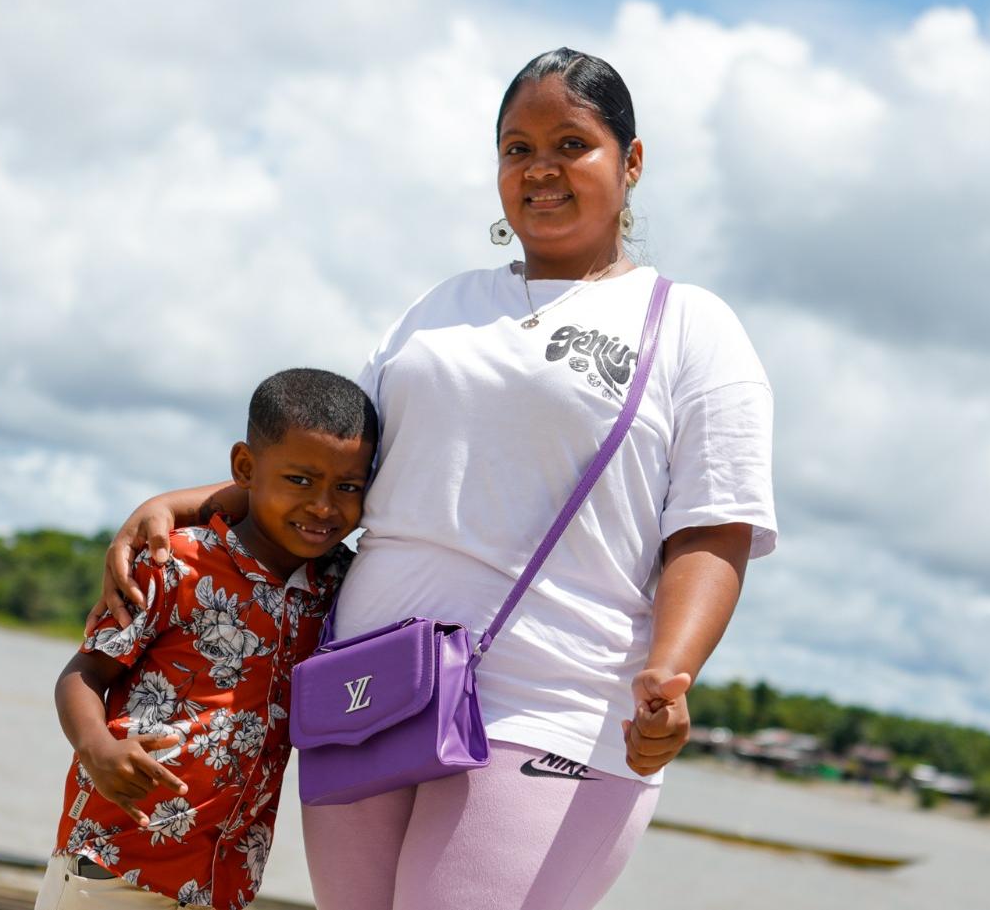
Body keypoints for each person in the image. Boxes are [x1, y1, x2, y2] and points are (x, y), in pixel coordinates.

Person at [92, 48, 776, 910]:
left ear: (632, 162)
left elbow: (713, 527)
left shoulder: (693, 329)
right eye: (517, 149)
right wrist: (184, 504)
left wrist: (669, 673)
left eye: (573, 144)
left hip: (548, 704)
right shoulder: (442, 305)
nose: (541, 170)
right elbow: (336, 474)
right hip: (370, 690)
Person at [38, 368, 376, 910]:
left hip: (225, 880)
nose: (323, 506)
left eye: (348, 487)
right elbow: (84, 672)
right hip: (116, 859)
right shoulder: (174, 564)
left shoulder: (342, 585)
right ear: (245, 467)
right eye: (299, 480)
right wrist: (96, 747)